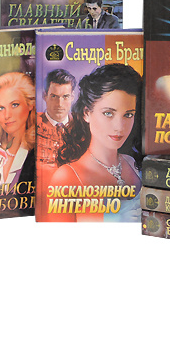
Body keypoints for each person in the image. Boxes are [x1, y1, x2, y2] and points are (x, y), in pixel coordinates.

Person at [48, 63, 142, 222]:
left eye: (128, 115)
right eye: (108, 113)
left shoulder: (132, 163)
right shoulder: (67, 178)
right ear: (86, 113)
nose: (119, 127)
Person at [37, 68, 76, 169]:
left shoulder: (84, 126)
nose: (59, 104)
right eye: (54, 96)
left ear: (72, 97)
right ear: (44, 96)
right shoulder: (32, 124)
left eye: (65, 96)